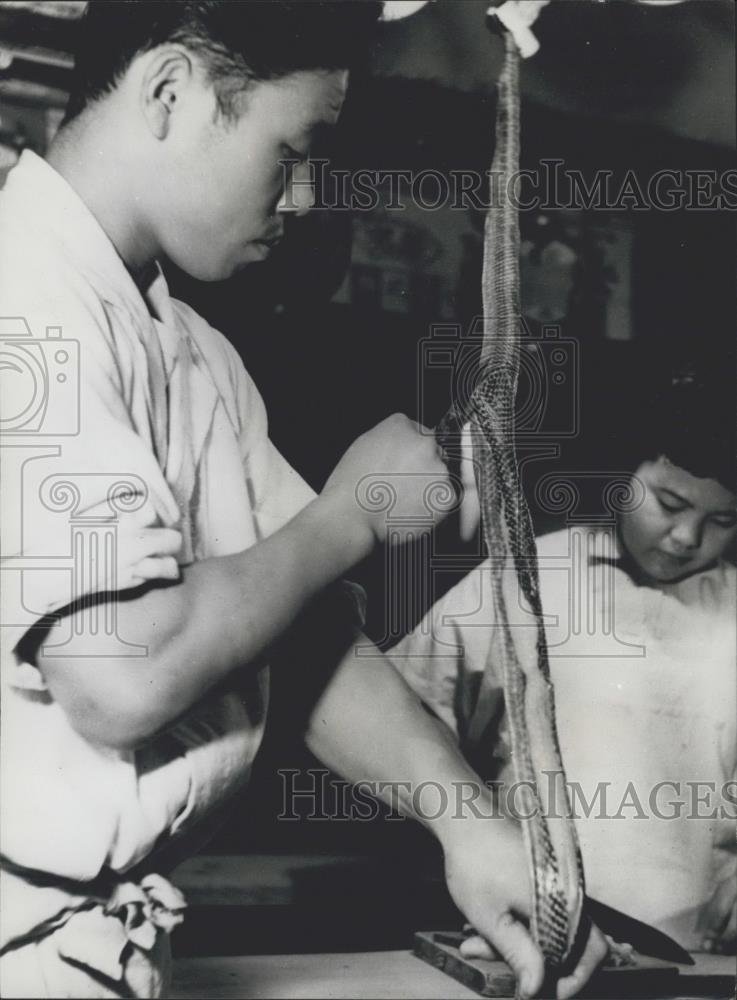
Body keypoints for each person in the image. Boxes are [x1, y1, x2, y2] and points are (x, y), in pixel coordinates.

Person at [0, 2, 607, 998]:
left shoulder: (187, 347)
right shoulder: (21, 295)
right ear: (168, 91)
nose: (305, 195)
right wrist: (351, 513)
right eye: (294, 150)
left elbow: (298, 628)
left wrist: (469, 820)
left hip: (98, 940)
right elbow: (118, 676)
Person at [390, 370, 737, 956]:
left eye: (722, 521)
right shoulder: (530, 576)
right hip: (528, 931)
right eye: (670, 503)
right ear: (624, 475)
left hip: (706, 947)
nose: (685, 538)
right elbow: (400, 717)